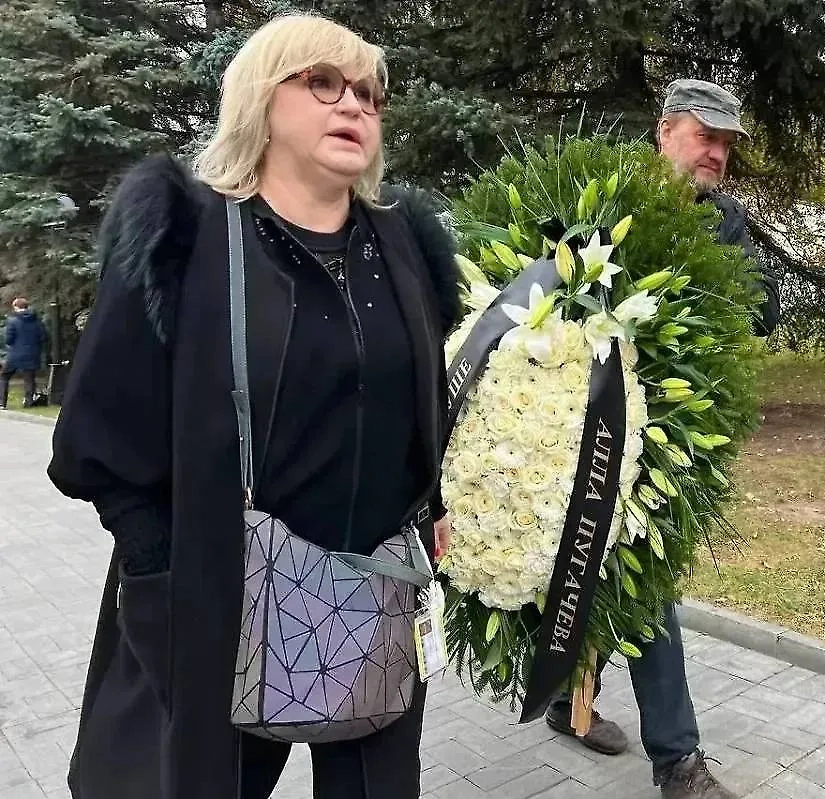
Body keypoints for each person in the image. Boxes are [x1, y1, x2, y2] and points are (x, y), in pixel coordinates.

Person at [47, 15, 458, 799]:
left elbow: (421, 402)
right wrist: (159, 571)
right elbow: (99, 433)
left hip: (373, 596)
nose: (356, 105)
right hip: (221, 609)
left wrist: (431, 502)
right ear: (261, 99)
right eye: (324, 83)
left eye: (370, 93)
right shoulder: (189, 235)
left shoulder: (403, 244)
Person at [544, 78, 780, 799]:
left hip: (668, 427)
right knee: (630, 571)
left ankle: (565, 697)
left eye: (726, 145)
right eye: (705, 136)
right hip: (582, 415)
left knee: (626, 567)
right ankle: (676, 759)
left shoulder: (726, 222)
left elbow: (765, 311)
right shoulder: (608, 197)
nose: (716, 154)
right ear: (664, 132)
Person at [1, 297, 46, 408]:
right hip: (32, 354)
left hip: (15, 355)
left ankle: (2, 402)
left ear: (16, 307)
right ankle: (29, 403)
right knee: (29, 379)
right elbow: (43, 337)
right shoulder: (36, 321)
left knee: (4, 376)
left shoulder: (13, 321)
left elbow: (8, 340)